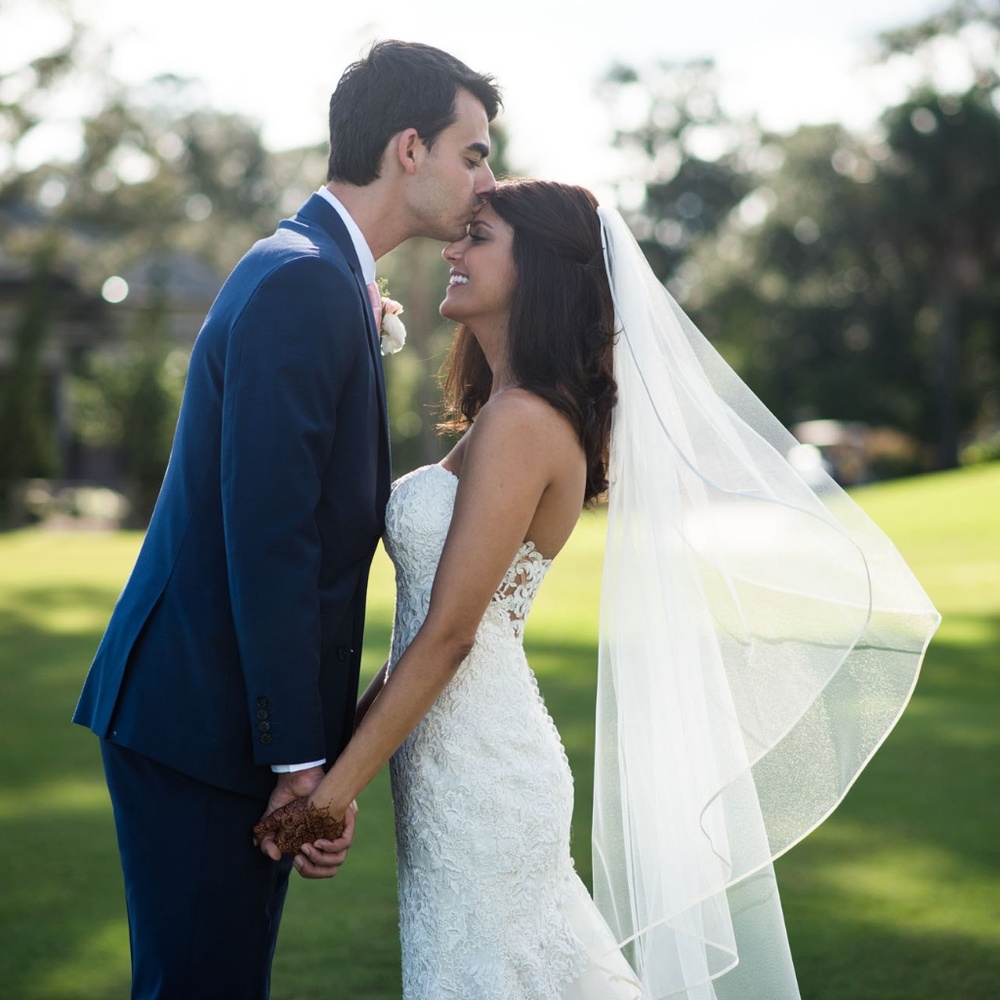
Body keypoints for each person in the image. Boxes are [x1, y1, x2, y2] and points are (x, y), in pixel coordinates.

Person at [255, 180, 941, 999]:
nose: (451, 250)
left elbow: (449, 637)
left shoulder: (523, 422)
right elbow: (420, 639)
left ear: (539, 268)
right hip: (455, 767)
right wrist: (338, 775)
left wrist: (325, 801)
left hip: (484, 773)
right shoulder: (507, 414)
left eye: (477, 236)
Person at [72, 40, 501, 1000]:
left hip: (211, 720)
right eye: (472, 154)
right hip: (203, 725)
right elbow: (272, 538)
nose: (486, 180)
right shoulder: (304, 282)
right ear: (407, 148)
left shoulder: (314, 271)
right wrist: (302, 760)